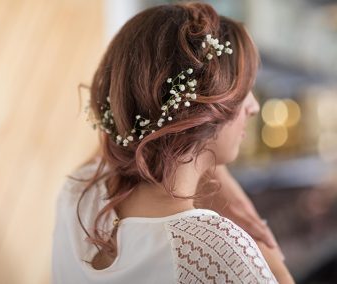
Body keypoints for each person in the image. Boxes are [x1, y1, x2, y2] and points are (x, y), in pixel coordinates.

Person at [52, 2, 295, 283]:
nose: (253, 106)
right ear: (202, 110)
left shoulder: (78, 192)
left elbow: (122, 131)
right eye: (244, 91)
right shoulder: (217, 251)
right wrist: (270, 259)